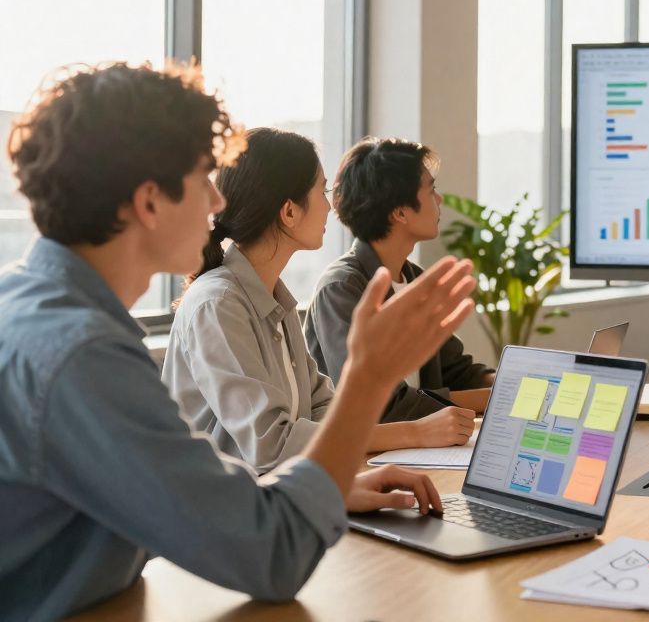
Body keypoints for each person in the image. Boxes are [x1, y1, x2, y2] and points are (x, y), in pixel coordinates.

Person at [0, 62, 475, 620]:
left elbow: (170, 499)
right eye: (205, 179)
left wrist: (316, 488)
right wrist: (369, 378)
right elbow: (274, 557)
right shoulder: (82, 355)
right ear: (149, 201)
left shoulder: (39, 310)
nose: (218, 203)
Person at [163, 128, 477, 474]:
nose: (330, 206)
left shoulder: (275, 298)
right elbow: (273, 445)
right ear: (289, 212)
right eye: (321, 190)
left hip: (277, 496)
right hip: (225, 513)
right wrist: (414, 432)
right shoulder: (219, 303)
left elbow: (324, 408)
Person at [305, 136, 494, 419]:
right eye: (431, 190)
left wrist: (513, 385)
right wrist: (489, 399)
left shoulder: (415, 278)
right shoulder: (341, 288)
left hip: (424, 447)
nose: (439, 200)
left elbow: (456, 370)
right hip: (365, 457)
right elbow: (379, 404)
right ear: (400, 213)